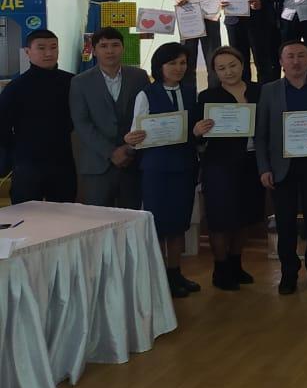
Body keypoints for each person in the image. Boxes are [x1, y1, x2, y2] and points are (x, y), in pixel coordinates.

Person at [124, 42, 202, 298]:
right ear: (159, 66)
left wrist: (198, 132)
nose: (178, 68)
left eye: (183, 63)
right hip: (156, 168)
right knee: (158, 223)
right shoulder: (146, 94)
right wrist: (131, 139)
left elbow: (193, 131)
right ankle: (158, 278)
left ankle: (175, 273)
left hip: (185, 166)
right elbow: (137, 132)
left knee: (179, 223)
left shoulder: (190, 92)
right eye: (172, 63)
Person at [256, 40, 307, 294]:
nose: (296, 61)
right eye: (290, 56)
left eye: (301, 55)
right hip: (281, 169)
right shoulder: (269, 91)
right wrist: (264, 168)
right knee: (285, 225)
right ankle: (288, 274)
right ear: (281, 62)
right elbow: (261, 134)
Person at [196, 46, 262, 291]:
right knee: (220, 218)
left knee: (244, 217)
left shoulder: (259, 91)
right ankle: (220, 268)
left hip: (252, 162)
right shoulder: (207, 96)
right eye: (221, 68)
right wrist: (198, 131)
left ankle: (236, 263)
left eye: (233, 65)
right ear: (215, 72)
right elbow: (198, 136)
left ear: (243, 65)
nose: (229, 71)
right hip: (219, 165)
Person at [69, 28, 149, 208]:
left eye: (115, 45)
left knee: (131, 218)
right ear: (94, 50)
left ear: (123, 48)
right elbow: (82, 123)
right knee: (97, 220)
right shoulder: (80, 82)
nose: (110, 50)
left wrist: (129, 149)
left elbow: (145, 115)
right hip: (97, 164)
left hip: (132, 162)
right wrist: (111, 152)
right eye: (103, 46)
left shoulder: (139, 76)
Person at [0, 29, 75, 203]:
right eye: (41, 48)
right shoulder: (15, 87)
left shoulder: (72, 82)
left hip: (63, 161)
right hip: (27, 163)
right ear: (27, 52)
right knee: (26, 214)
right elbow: (2, 128)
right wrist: (14, 156)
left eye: (53, 47)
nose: (48, 53)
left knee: (64, 213)